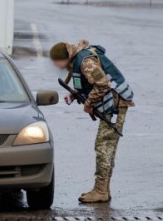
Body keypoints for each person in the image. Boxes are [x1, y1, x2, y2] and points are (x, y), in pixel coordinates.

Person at [50, 41, 134, 203]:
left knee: (104, 145)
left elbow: (102, 85)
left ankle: (100, 190)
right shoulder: (77, 61)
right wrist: (75, 95)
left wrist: (88, 104)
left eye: (56, 61)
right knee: (106, 145)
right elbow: (88, 82)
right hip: (114, 103)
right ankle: (104, 189)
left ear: (65, 58)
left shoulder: (85, 62)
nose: (55, 65)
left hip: (115, 104)